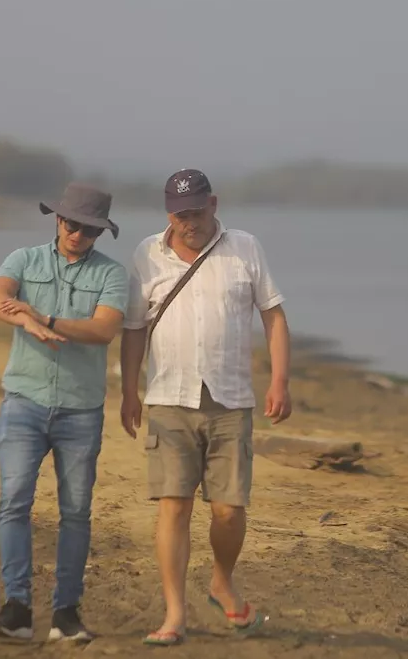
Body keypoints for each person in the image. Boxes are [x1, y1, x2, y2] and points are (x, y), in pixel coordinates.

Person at [119, 169, 292, 647]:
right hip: (169, 398)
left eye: (195, 212)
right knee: (173, 506)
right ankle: (175, 612)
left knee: (229, 511)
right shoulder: (146, 254)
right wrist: (129, 389)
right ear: (167, 213)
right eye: (179, 215)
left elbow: (273, 316)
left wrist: (279, 380)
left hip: (231, 399)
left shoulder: (245, 248)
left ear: (213, 204)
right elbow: (134, 328)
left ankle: (221, 579)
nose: (187, 223)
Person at [0, 182, 129, 643]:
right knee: (14, 503)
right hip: (23, 401)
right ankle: (17, 608)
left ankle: (66, 612)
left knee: (77, 512)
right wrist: (21, 318)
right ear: (57, 219)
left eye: (88, 229)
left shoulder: (113, 275)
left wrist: (41, 318)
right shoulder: (24, 259)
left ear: (100, 233)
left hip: (81, 410)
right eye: (71, 223)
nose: (77, 234)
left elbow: (104, 330)